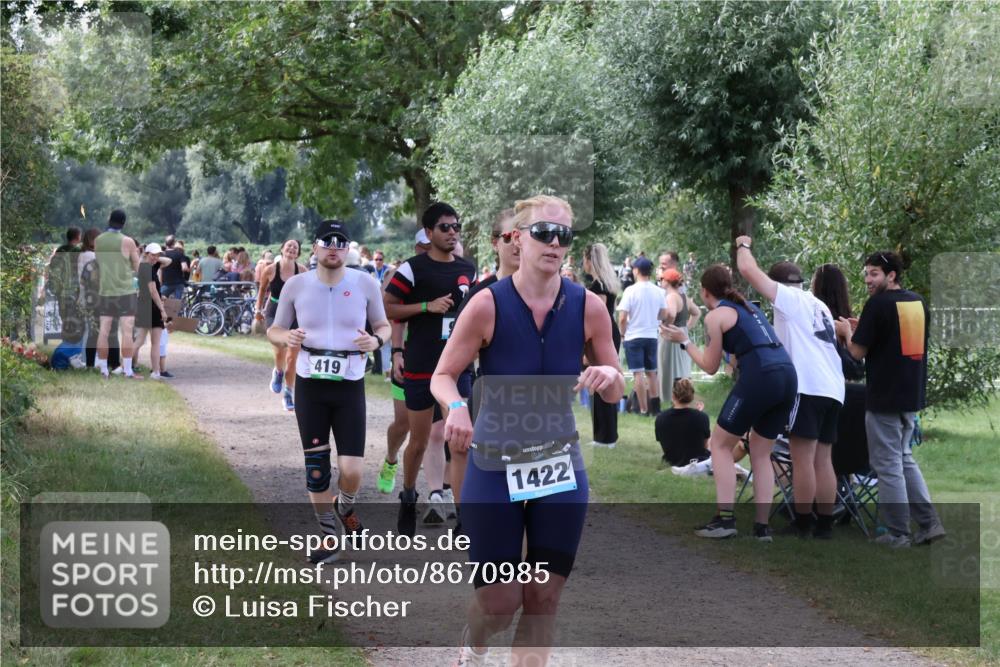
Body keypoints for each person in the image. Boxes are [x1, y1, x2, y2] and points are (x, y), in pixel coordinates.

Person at [432, 194, 623, 667]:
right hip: (495, 466)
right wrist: (456, 406)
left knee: (543, 598)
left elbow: (617, 387)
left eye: (564, 235)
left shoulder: (589, 307)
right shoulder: (487, 305)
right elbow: (442, 375)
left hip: (558, 466)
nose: (554, 243)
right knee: (500, 604)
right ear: (517, 238)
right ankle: (474, 642)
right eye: (543, 233)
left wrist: (611, 378)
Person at [267, 220, 390, 564]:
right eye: (327, 242)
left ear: (347, 249)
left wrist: (376, 340)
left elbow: (383, 325)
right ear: (316, 248)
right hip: (310, 383)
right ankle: (328, 536)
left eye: (341, 243)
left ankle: (345, 506)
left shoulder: (365, 283)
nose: (334, 249)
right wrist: (286, 338)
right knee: (317, 469)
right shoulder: (296, 285)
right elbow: (275, 329)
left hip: (350, 384)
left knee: (352, 470)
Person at [663, 264, 797, 541]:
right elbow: (738, 354)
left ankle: (725, 520)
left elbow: (710, 367)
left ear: (703, 291)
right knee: (761, 452)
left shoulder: (716, 316)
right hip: (787, 375)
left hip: (762, 376)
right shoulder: (750, 308)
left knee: (720, 445)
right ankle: (762, 528)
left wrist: (684, 340)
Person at [736, 236, 845, 538]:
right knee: (824, 458)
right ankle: (825, 526)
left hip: (807, 387)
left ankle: (803, 522)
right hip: (834, 388)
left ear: (779, 285)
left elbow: (747, 270)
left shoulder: (789, 300)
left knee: (802, 458)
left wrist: (743, 244)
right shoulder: (817, 303)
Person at [835, 251, 944, 547]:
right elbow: (899, 342)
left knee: (887, 465)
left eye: (874, 273)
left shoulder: (878, 304)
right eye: (866, 273)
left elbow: (855, 356)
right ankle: (929, 524)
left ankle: (897, 533)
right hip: (911, 394)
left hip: (884, 395)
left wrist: (846, 334)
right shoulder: (916, 302)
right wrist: (865, 331)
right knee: (904, 459)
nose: (867, 279)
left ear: (891, 275)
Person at [384, 202, 476, 537]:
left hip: (455, 369)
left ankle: (464, 517)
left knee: (458, 441)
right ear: (428, 232)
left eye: (456, 226)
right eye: (445, 227)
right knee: (420, 442)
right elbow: (389, 306)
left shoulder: (468, 269)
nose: (452, 232)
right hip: (421, 367)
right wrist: (426, 307)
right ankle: (409, 495)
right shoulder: (412, 269)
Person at [376, 230, 433, 497]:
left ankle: (439, 489)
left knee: (439, 429)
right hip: (408, 355)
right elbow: (390, 315)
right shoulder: (401, 275)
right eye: (423, 246)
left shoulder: (450, 272)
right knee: (403, 423)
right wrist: (397, 352)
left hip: (436, 357)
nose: (427, 250)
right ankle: (390, 460)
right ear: (416, 245)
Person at [256, 239, 307, 411]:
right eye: (289, 246)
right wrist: (258, 310)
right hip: (275, 311)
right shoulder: (270, 269)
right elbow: (262, 290)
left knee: (292, 357)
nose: (292, 248)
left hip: (294, 313)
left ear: (298, 253)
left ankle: (288, 393)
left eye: (295, 247)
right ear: (282, 249)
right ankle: (278, 371)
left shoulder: (302, 271)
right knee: (280, 350)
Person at [582, 242, 622, 447]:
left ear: (590, 260)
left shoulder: (598, 287)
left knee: (602, 382)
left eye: (584, 258)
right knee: (602, 382)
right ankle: (605, 434)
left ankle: (605, 436)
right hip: (609, 333)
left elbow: (596, 315)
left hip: (602, 335)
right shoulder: (606, 283)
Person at [617, 256, 667, 416]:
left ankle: (643, 409)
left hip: (634, 335)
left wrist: (622, 334)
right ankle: (656, 408)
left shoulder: (630, 290)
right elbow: (664, 313)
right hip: (651, 335)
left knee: (638, 373)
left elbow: (623, 317)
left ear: (636, 271)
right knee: (652, 373)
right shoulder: (659, 291)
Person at [95, 210, 142, 379]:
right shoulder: (128, 241)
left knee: (104, 331)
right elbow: (138, 267)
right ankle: (128, 370)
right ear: (123, 223)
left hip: (105, 290)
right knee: (127, 332)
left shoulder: (98, 240)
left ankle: (103, 369)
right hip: (125, 291)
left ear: (109, 220)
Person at [658, 267, 701, 396]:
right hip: (681, 333)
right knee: (681, 366)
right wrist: (687, 328)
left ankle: (669, 395)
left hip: (672, 335)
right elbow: (697, 313)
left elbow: (671, 314)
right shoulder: (684, 297)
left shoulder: (671, 296)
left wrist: (666, 327)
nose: (660, 281)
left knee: (670, 366)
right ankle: (683, 395)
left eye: (661, 279)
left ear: (667, 281)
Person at [133, 243, 172, 380]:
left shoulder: (146, 266)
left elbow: (168, 261)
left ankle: (124, 366)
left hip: (143, 306)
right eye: (153, 254)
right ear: (146, 253)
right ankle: (155, 372)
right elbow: (153, 291)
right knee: (155, 343)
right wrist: (162, 310)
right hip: (152, 307)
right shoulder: (148, 268)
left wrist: (154, 258)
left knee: (139, 341)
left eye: (158, 254)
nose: (156, 257)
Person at [655, 378, 710, 467]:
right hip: (697, 463)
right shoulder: (702, 417)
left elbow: (666, 445)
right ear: (692, 396)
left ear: (673, 396)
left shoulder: (660, 418)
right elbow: (704, 446)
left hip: (672, 462)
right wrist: (700, 415)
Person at [47, 226, 83, 340]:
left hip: (61, 291)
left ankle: (65, 341)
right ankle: (73, 344)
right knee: (75, 319)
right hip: (74, 291)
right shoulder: (78, 251)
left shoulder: (60, 250)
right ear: (78, 237)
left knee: (64, 318)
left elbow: (52, 268)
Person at [76, 228, 101, 368]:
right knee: (91, 330)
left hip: (83, 295)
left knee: (89, 329)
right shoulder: (91, 256)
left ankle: (87, 359)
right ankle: (88, 360)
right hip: (90, 296)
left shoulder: (82, 254)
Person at [159, 235, 189, 300]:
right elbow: (184, 267)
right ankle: (177, 310)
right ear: (174, 243)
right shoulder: (180, 254)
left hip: (166, 283)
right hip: (179, 283)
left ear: (165, 244)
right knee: (177, 304)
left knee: (159, 300)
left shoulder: (162, 254)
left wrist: (160, 282)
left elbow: (159, 269)